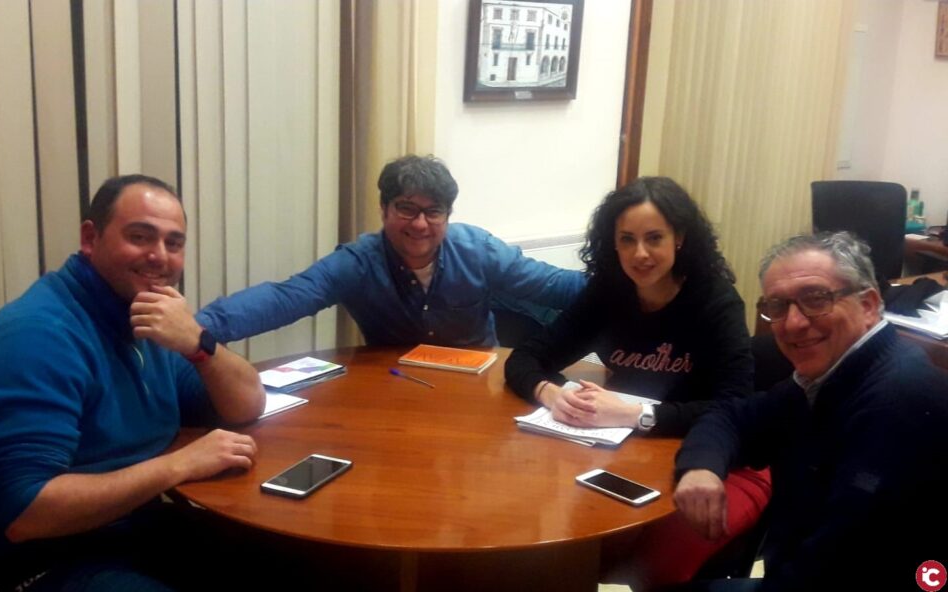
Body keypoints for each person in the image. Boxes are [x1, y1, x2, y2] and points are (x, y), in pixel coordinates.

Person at [0, 175, 266, 591]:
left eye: (174, 243)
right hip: (46, 563)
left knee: (299, 565)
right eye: (140, 237)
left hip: (133, 529)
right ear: (90, 238)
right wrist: (179, 465)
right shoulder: (38, 334)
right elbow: (23, 513)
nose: (159, 256)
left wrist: (198, 343)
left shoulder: (144, 315)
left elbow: (246, 404)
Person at [504, 177, 771, 589]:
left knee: (653, 567)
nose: (639, 253)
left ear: (679, 238)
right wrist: (551, 393)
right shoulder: (609, 292)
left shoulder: (715, 301)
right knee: (569, 548)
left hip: (722, 462)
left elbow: (733, 406)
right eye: (627, 240)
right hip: (634, 453)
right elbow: (526, 357)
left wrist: (637, 414)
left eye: (654, 238)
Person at [673, 232, 948, 591]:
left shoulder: (899, 401)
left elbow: (834, 568)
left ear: (868, 305)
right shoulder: (827, 377)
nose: (793, 323)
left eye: (816, 298)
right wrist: (700, 467)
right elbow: (733, 416)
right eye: (777, 306)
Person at [196, 154, 586, 347]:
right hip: (395, 387)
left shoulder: (478, 250)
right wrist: (198, 329)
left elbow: (555, 286)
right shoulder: (357, 263)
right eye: (407, 209)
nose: (420, 224)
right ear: (384, 209)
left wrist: (621, 286)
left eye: (434, 212)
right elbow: (287, 297)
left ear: (448, 215)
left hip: (477, 387)